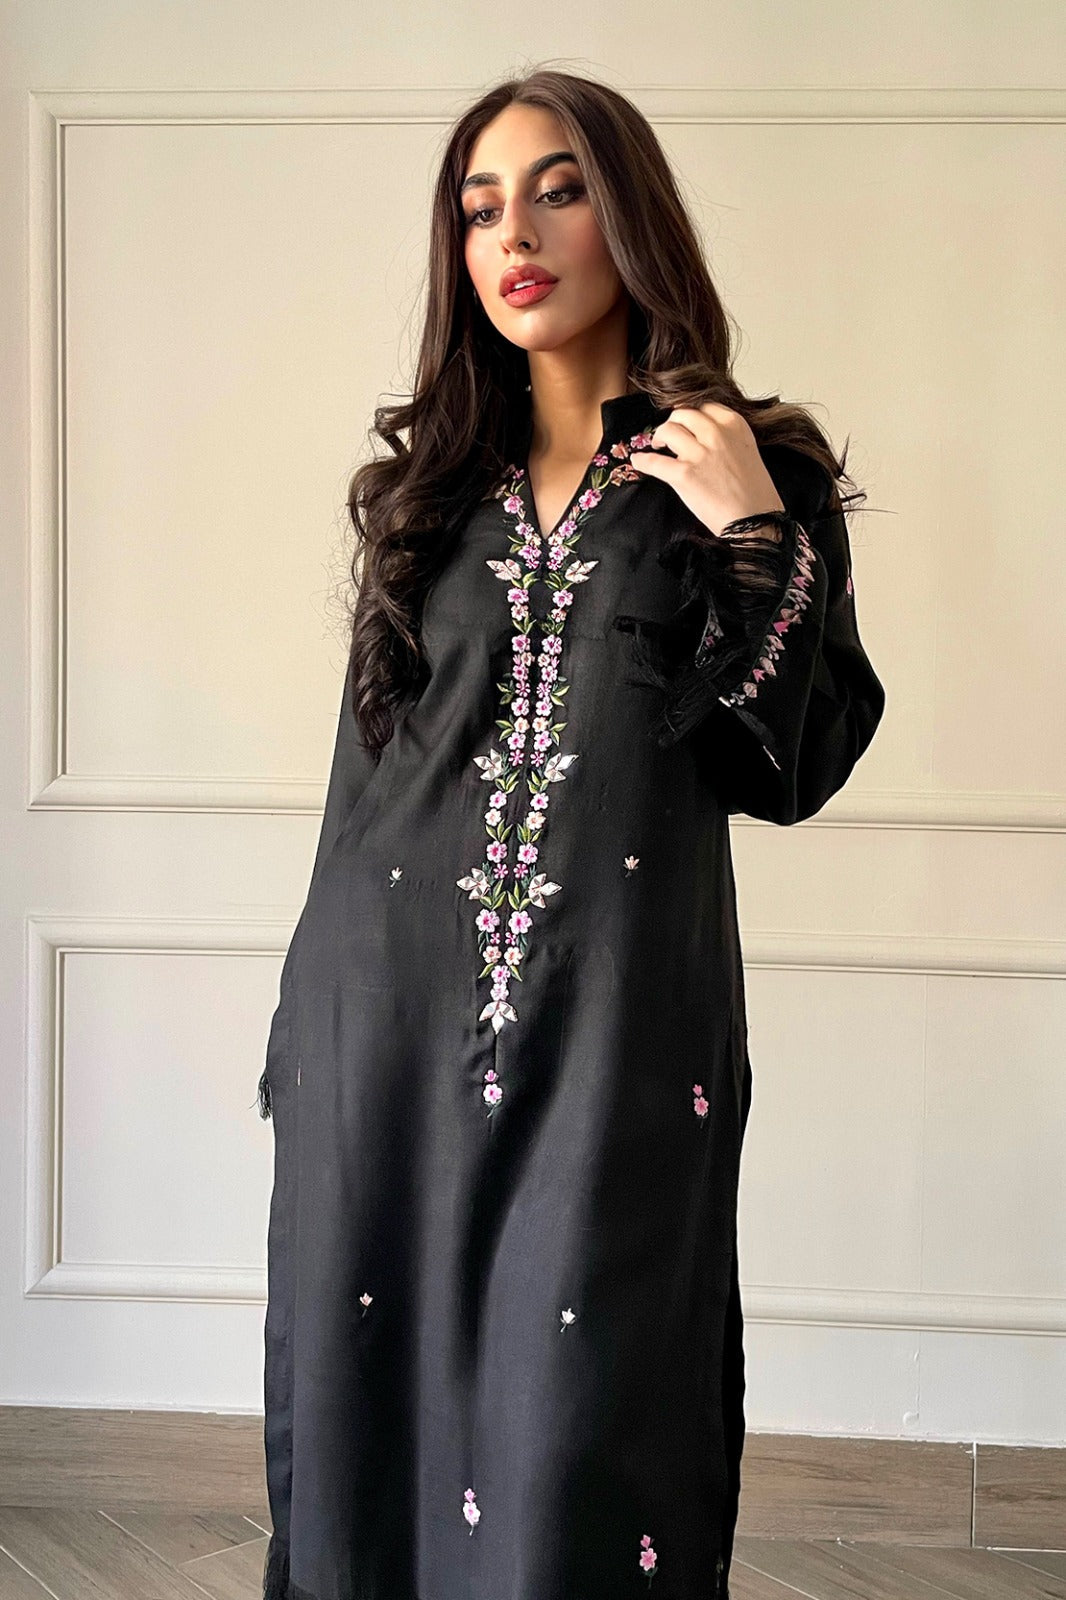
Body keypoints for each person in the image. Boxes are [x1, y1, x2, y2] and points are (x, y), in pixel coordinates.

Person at [256, 66, 886, 1600]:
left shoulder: (750, 467)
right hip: (385, 1020)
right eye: (479, 209)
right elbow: (363, 788)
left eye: (558, 190)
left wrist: (752, 534)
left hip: (617, 1029)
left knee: (585, 1411)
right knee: (375, 1398)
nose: (514, 236)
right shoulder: (424, 497)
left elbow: (790, 764)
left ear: (631, 213)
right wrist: (299, 1032)